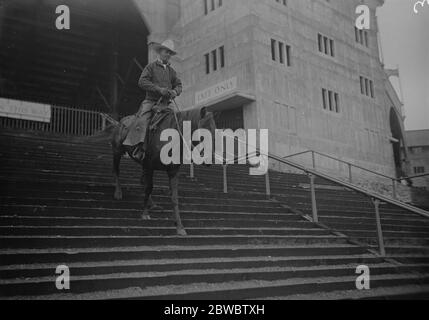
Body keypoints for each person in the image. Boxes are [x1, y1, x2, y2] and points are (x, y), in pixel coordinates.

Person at [123, 39, 183, 161]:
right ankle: (138, 148)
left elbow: (179, 85)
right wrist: (158, 89)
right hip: (151, 102)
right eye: (167, 52)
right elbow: (142, 82)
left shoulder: (172, 72)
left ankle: (178, 150)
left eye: (170, 53)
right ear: (160, 52)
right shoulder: (150, 67)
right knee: (143, 120)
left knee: (179, 121)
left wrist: (175, 91)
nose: (168, 55)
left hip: (166, 104)